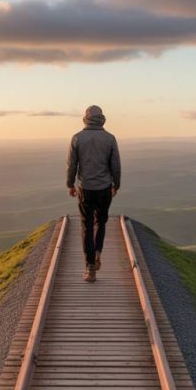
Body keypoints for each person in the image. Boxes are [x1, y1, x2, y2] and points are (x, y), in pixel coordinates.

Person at [66, 105, 122, 282]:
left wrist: (70, 185)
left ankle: (90, 268)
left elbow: (72, 165)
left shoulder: (77, 138)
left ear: (86, 118)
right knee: (101, 222)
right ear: (102, 119)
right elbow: (116, 165)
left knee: (86, 225)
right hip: (105, 188)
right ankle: (98, 250)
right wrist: (116, 185)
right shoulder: (110, 139)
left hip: (86, 188)